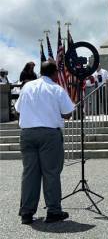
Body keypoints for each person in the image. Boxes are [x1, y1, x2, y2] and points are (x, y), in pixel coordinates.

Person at [15, 61, 74, 224]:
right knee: (51, 173)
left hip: (27, 133)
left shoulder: (27, 87)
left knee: (29, 174)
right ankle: (53, 211)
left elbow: (18, 109)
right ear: (55, 73)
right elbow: (68, 113)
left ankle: (26, 212)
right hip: (49, 134)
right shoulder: (56, 88)